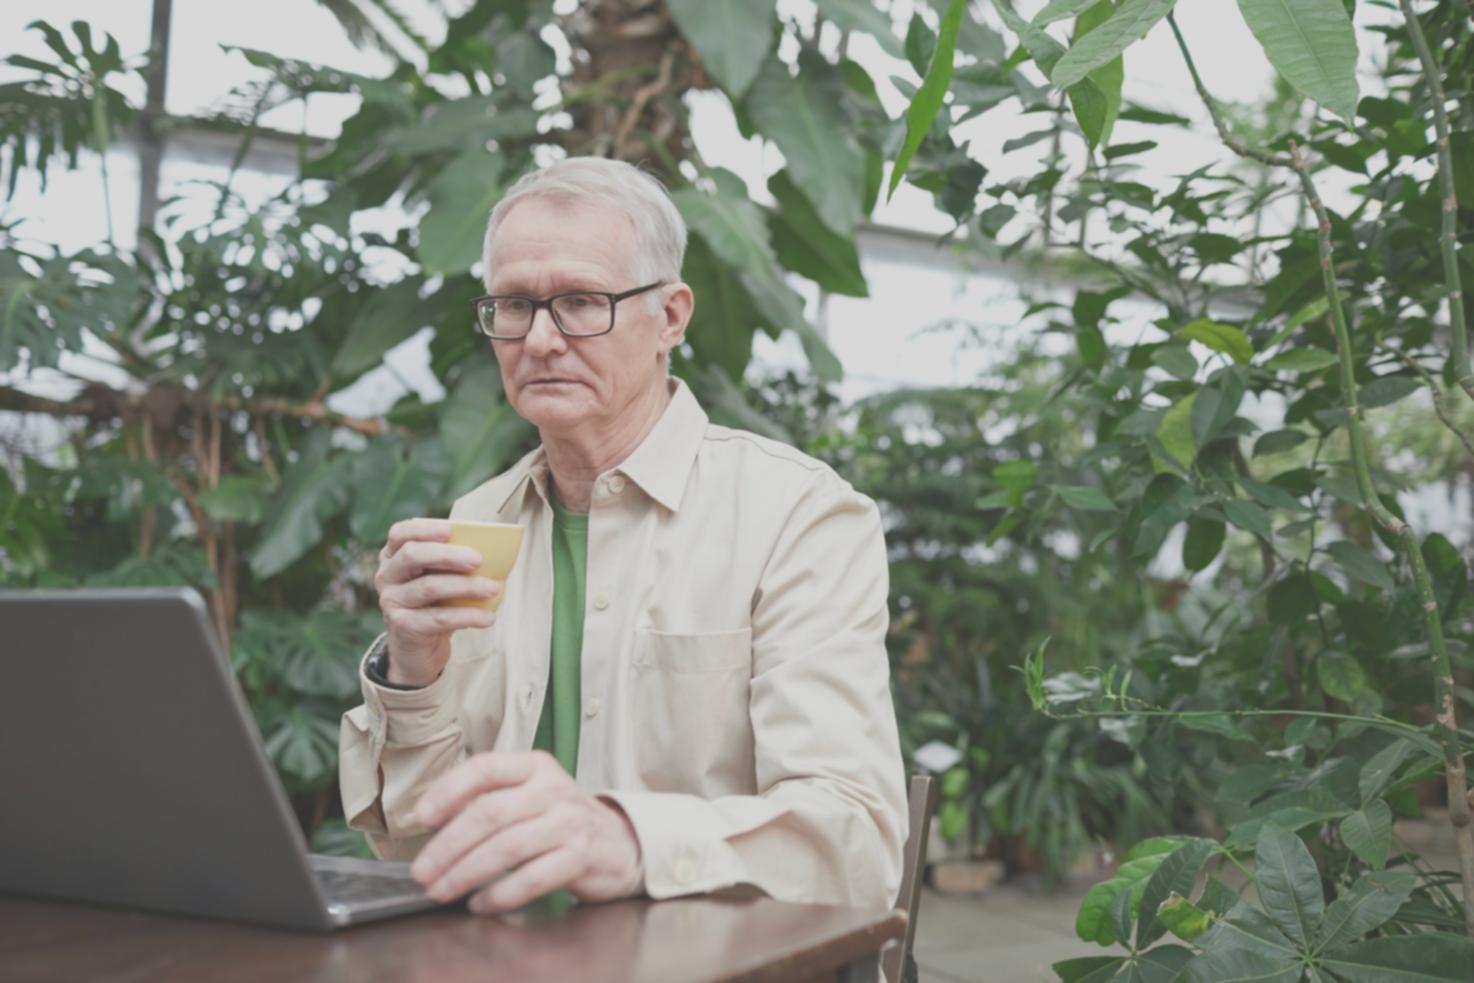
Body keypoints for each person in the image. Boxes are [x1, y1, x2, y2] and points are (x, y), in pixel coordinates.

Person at [338, 157, 906, 915]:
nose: (541, 339)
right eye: (515, 304)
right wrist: (414, 670)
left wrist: (627, 839)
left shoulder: (796, 515)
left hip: (707, 961)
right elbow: (421, 849)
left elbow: (855, 843)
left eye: (580, 302)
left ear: (670, 317)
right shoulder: (479, 520)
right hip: (499, 955)